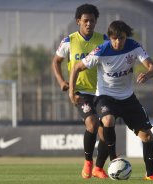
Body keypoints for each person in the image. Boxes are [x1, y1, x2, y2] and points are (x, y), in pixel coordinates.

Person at [69, 20, 153, 180]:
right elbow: (77, 67)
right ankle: (113, 158)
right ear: (110, 37)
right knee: (108, 120)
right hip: (105, 97)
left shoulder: (134, 46)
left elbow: (152, 67)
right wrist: (72, 92)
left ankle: (150, 174)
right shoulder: (101, 50)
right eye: (114, 38)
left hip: (128, 98)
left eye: (121, 38)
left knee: (147, 136)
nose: (118, 42)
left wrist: (147, 74)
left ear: (126, 37)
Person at [52, 4, 109, 179]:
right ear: (78, 21)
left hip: (101, 90)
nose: (89, 24)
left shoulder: (104, 39)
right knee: (92, 123)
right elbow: (56, 61)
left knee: (106, 128)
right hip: (80, 92)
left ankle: (99, 167)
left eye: (92, 20)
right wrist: (62, 81)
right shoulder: (69, 40)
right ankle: (88, 162)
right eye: (85, 21)